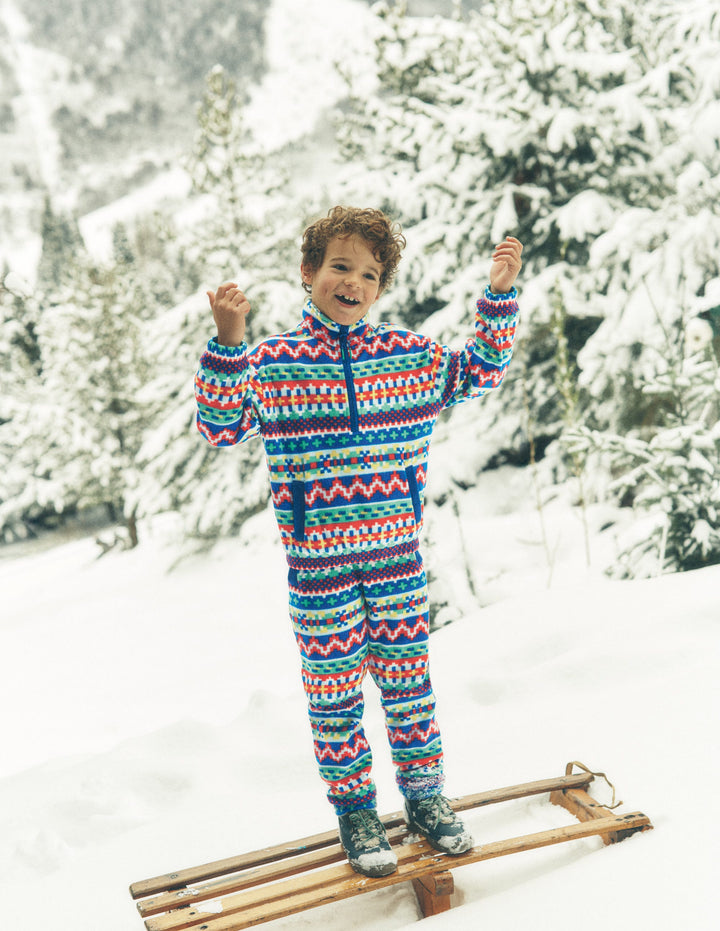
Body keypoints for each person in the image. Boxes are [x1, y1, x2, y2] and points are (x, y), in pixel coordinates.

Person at [195, 206, 522, 877]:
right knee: (334, 697)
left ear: (381, 287)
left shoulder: (410, 357)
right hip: (319, 572)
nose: (353, 282)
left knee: (409, 688)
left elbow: (482, 369)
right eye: (340, 266)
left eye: (369, 274)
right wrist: (228, 341)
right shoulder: (274, 364)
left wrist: (499, 294)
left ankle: (425, 798)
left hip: (397, 561)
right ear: (308, 271)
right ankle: (357, 813)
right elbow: (220, 425)